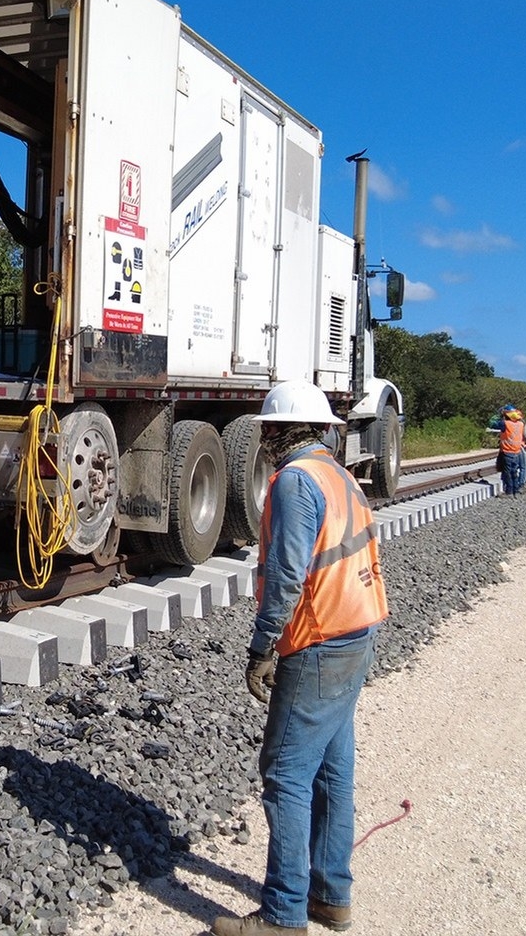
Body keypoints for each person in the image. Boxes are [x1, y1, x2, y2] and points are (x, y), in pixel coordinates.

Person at [213, 380, 388, 936]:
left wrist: (262, 646)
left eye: (266, 429)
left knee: (285, 773)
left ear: (277, 430)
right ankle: (331, 896)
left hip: (319, 638)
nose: (263, 438)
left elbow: (288, 576)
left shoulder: (293, 482)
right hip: (358, 628)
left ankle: (285, 915)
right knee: (332, 770)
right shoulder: (337, 474)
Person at [489, 404, 526, 495]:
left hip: (507, 451)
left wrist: (499, 415)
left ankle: (509, 491)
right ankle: (515, 489)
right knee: (514, 472)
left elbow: (492, 423)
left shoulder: (505, 424)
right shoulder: (521, 424)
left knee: (507, 472)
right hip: (517, 452)